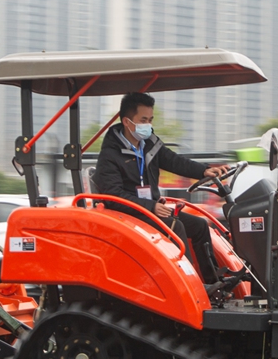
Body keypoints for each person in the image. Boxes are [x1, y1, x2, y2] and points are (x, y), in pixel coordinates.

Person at [94, 92, 230, 285]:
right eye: (143, 120)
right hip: (128, 213)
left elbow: (175, 162)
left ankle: (213, 281)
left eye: (150, 120)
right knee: (176, 226)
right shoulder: (110, 155)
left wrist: (205, 171)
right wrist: (150, 207)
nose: (147, 125)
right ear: (127, 121)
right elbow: (113, 195)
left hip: (149, 209)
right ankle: (189, 286)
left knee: (199, 226)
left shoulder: (149, 144)